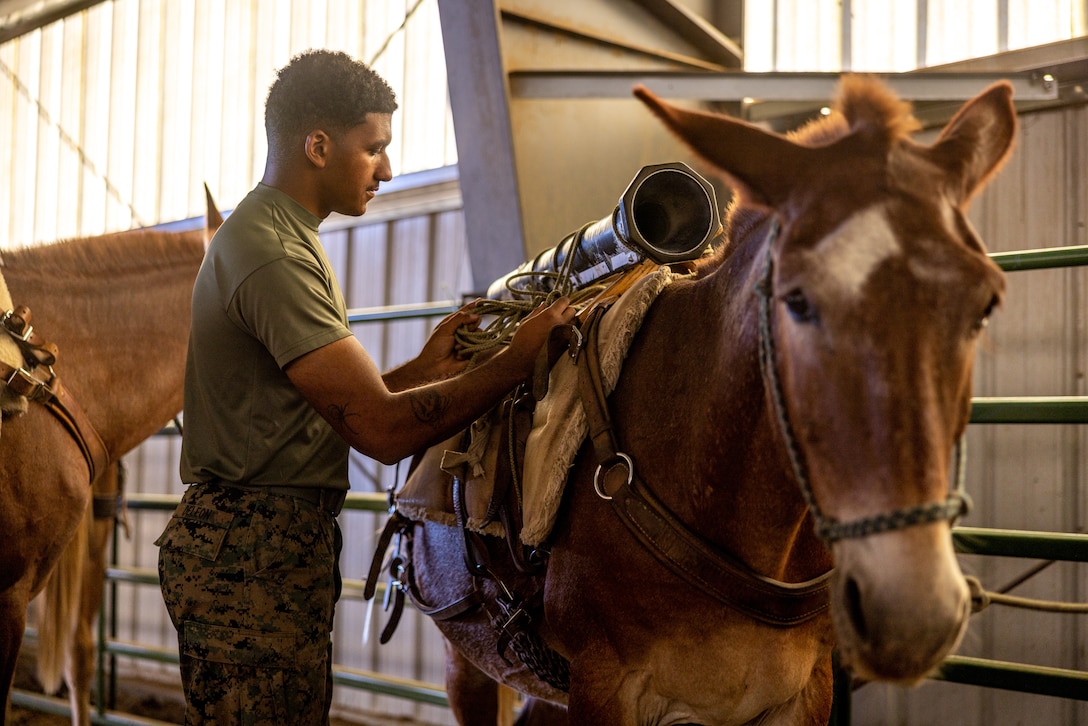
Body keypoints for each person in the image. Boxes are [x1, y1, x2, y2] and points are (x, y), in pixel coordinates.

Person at [156, 49, 574, 725]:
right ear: (317, 145)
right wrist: (513, 363)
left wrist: (429, 368)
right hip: (251, 553)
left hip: (269, 544)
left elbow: (320, 405)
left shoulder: (282, 235)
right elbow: (378, 431)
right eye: (373, 147)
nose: (387, 168)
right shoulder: (274, 253)